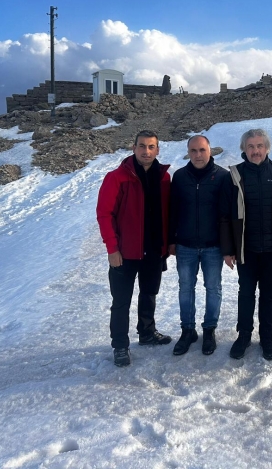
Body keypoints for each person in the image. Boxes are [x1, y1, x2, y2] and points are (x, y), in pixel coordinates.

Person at [220, 129, 272, 360]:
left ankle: (267, 337)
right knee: (245, 293)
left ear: (267, 148)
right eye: (251, 146)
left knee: (268, 294)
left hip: (271, 250)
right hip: (246, 250)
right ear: (244, 149)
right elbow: (225, 216)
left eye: (259, 146)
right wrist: (228, 250)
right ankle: (244, 335)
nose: (255, 151)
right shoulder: (234, 176)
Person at [96, 130, 173, 367]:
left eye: (151, 147)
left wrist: (167, 244)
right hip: (125, 253)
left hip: (153, 250)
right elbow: (104, 214)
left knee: (149, 293)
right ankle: (120, 344)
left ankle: (147, 332)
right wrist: (112, 248)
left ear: (158, 150)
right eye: (142, 146)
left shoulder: (164, 178)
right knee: (121, 301)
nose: (146, 151)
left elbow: (167, 214)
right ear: (134, 148)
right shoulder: (117, 177)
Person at [169, 135, 229, 356]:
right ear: (188, 152)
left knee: (213, 288)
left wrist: (228, 246)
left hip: (213, 246)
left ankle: (209, 330)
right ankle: (187, 330)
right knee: (186, 288)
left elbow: (227, 214)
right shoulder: (180, 177)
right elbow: (172, 211)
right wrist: (171, 240)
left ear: (209, 151)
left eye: (202, 150)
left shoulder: (222, 176)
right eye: (193, 151)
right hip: (185, 245)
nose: (198, 155)